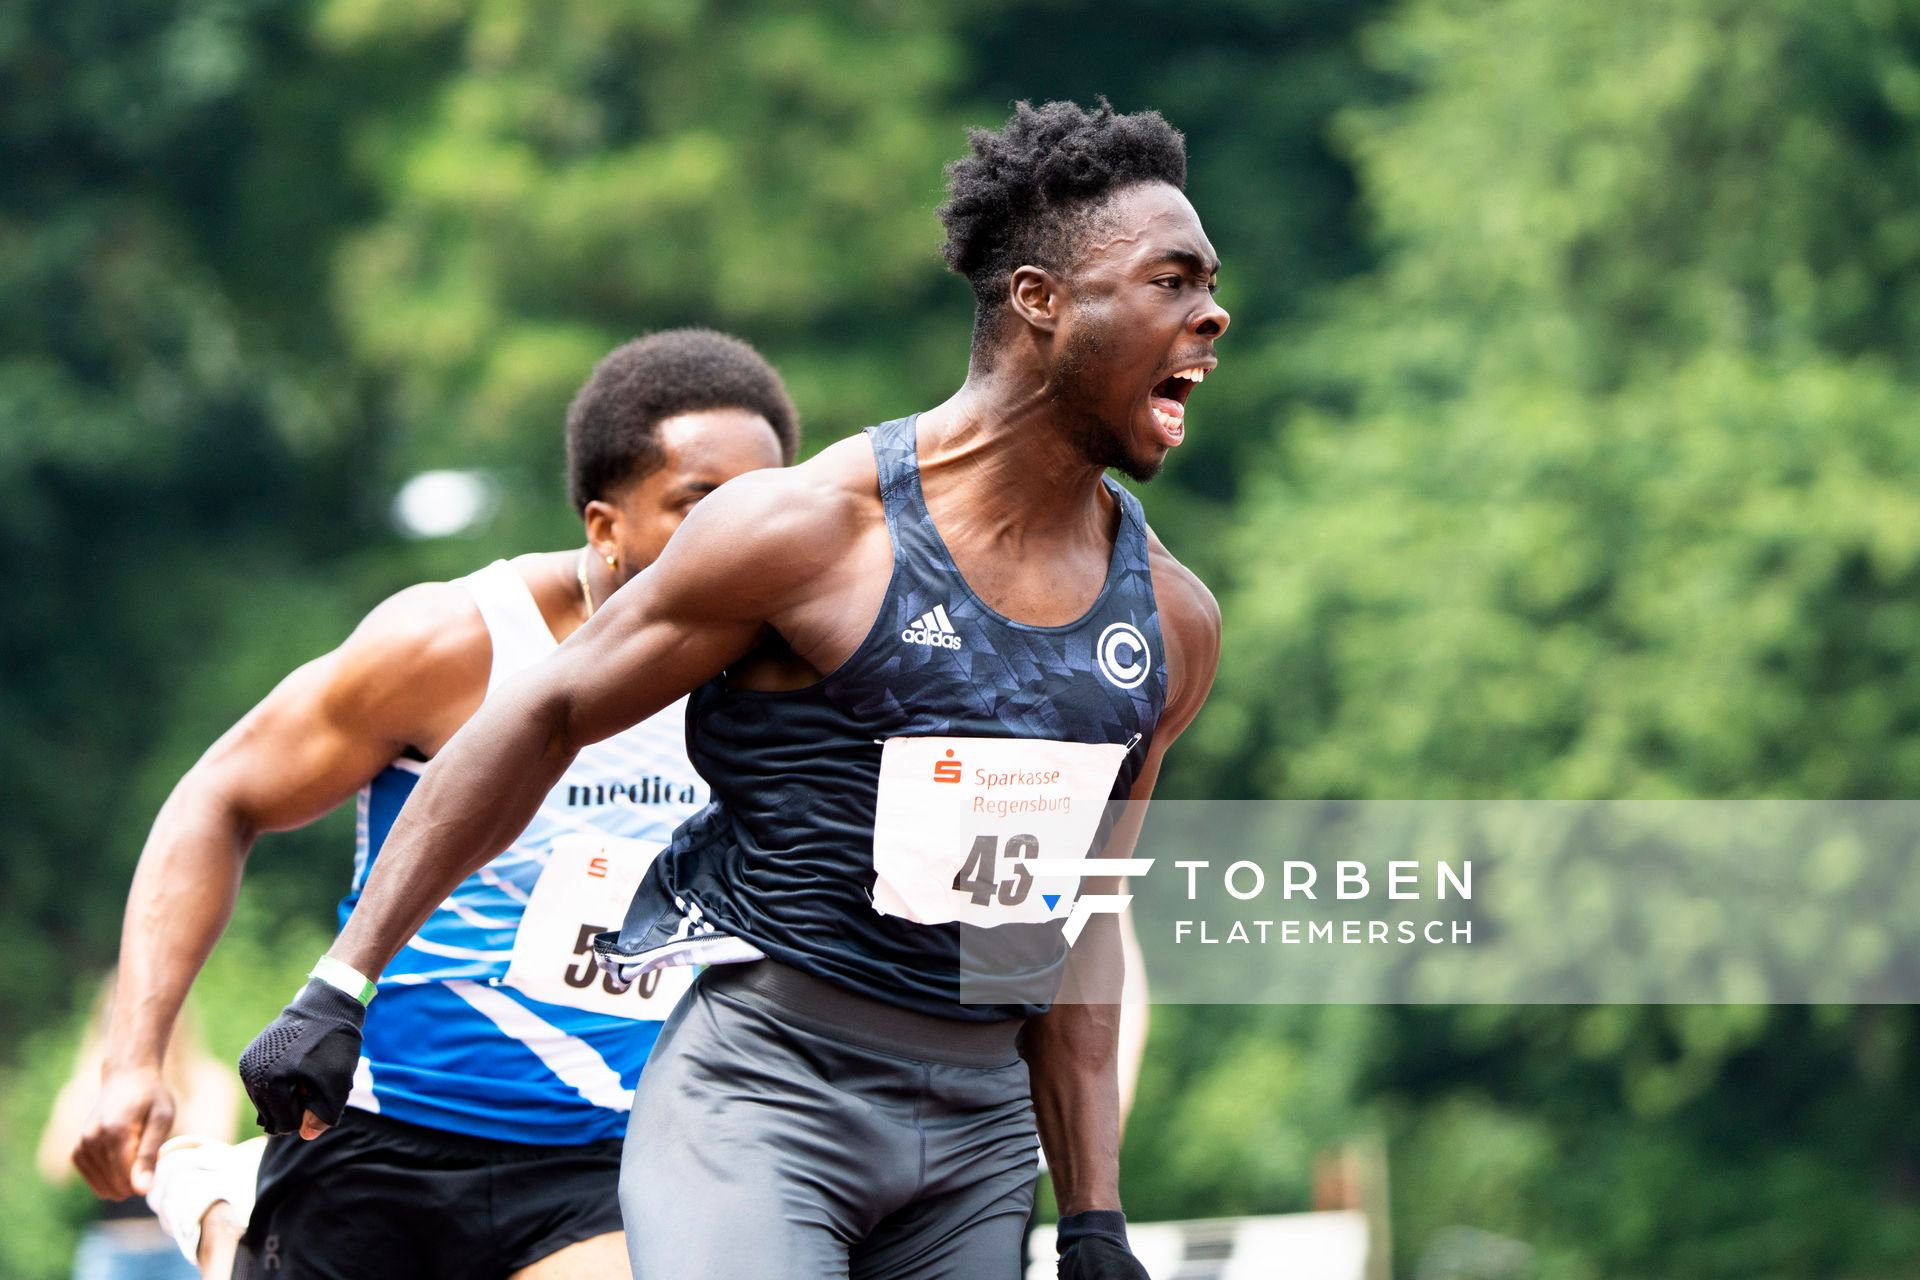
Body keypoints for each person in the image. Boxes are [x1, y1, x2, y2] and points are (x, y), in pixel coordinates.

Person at [242, 98, 1225, 1280]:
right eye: (1173, 280)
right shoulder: (808, 532)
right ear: (1040, 301)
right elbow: (544, 711)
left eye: (1209, 284)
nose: (1212, 312)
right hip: (766, 1092)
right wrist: (342, 980)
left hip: (976, 1139)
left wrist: (1096, 1214)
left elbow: (1081, 919)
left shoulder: (1170, 622)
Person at [75, 329, 800, 1279]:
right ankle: (225, 1210)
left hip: (618, 1153)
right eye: (698, 507)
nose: (739, 540)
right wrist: (135, 1057)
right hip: (385, 1131)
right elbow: (221, 797)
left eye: (764, 506)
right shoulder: (455, 644)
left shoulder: (797, 668)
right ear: (604, 525)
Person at [40, 979, 235, 1280]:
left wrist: (164, 1081)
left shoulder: (206, 1079)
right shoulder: (90, 1087)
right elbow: (54, 1168)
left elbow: (215, 1146)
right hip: (111, 1246)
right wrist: (97, 1083)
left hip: (180, 1245)